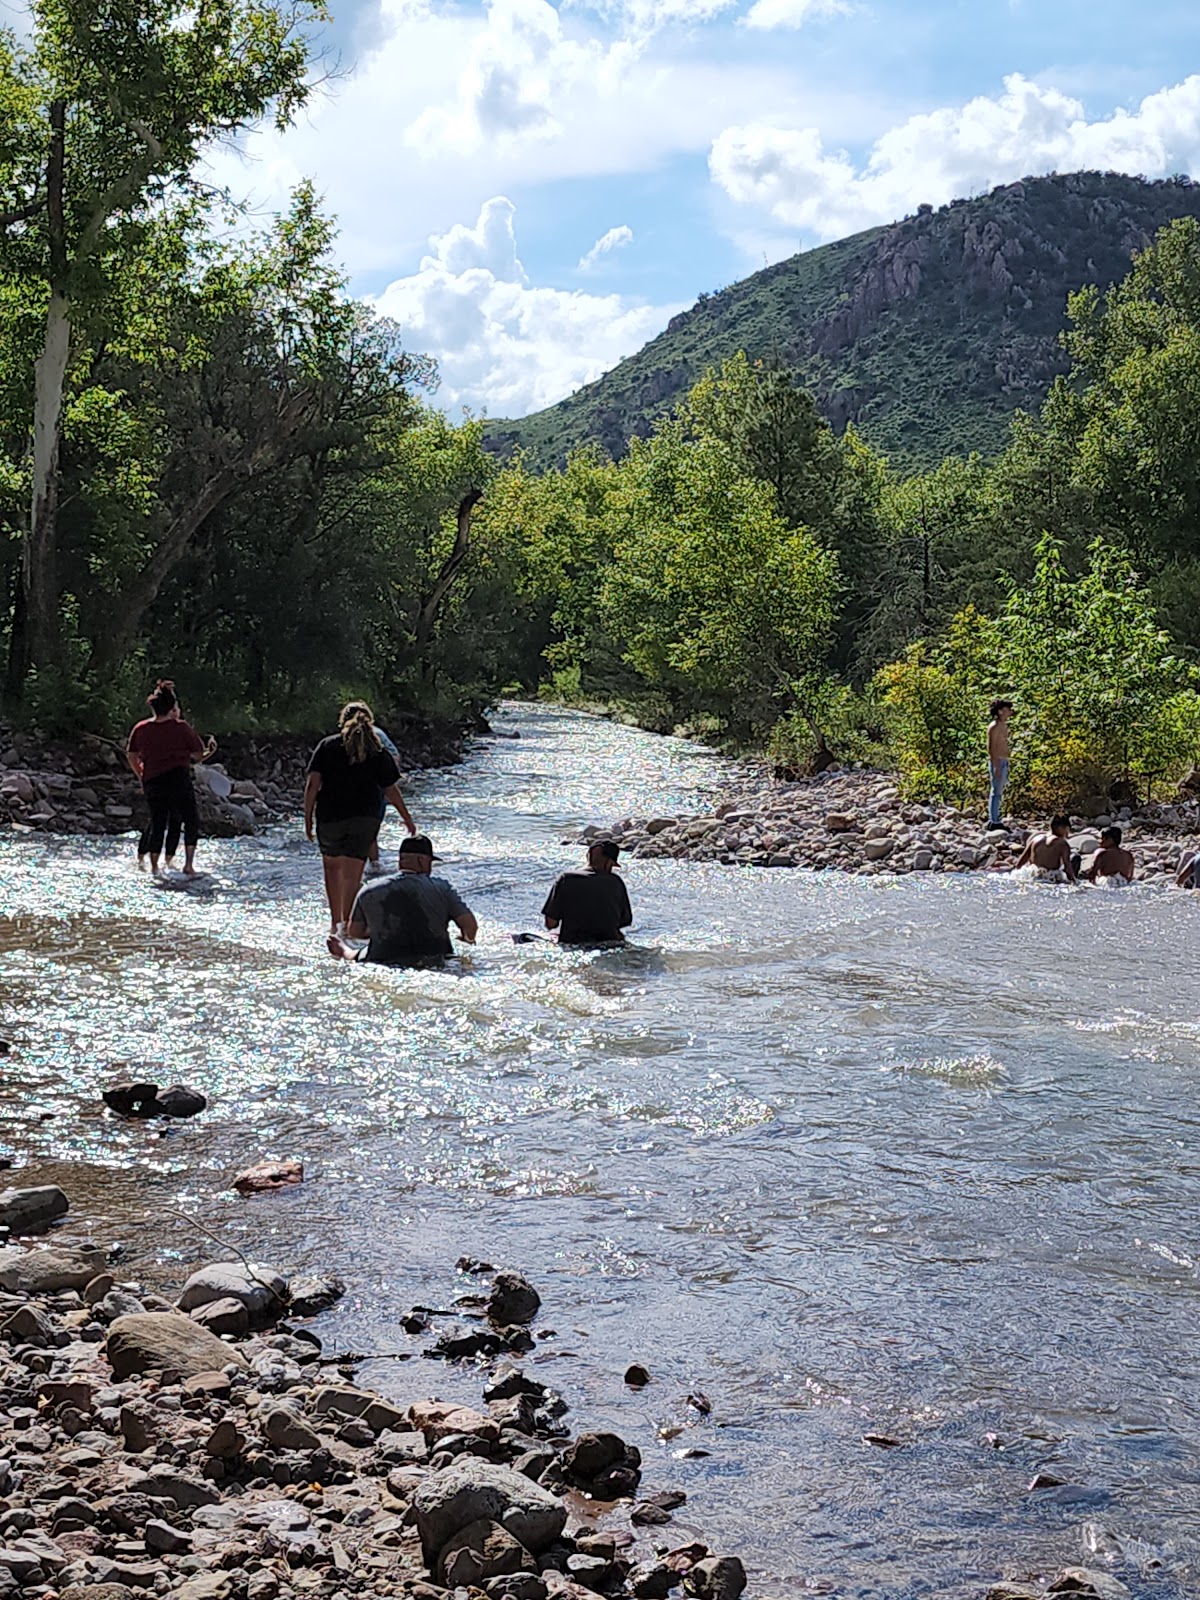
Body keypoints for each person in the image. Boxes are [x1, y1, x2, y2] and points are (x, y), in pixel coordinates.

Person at [305, 701, 416, 933]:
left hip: (330, 816)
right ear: (370, 721)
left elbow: (313, 784)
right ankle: (348, 925)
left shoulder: (327, 745)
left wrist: (307, 818)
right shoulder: (378, 751)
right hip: (365, 818)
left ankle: (335, 924)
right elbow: (391, 789)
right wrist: (407, 819)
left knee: (332, 869)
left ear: (342, 721)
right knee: (352, 875)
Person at [327, 835, 477, 965]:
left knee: (355, 955)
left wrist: (384, 929)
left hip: (383, 959)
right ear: (422, 860)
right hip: (435, 958)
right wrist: (467, 939)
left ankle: (342, 950)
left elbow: (355, 932)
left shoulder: (369, 890)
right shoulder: (442, 888)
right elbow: (470, 926)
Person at [126, 680, 216, 877]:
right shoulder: (181, 728)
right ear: (171, 707)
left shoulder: (140, 728)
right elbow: (197, 755)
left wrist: (140, 774)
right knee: (190, 818)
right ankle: (188, 865)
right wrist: (210, 751)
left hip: (152, 779)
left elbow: (132, 755)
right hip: (178, 777)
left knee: (157, 821)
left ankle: (154, 867)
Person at [542, 841, 633, 946]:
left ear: (588, 855)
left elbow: (551, 923)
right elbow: (624, 921)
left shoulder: (566, 878)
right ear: (611, 863)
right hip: (609, 944)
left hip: (573, 944)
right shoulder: (616, 882)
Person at [365, 723, 403, 879]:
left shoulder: (375, 735)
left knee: (369, 828)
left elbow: (394, 757)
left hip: (376, 786)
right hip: (374, 786)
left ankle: (373, 865)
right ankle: (372, 864)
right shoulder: (375, 733)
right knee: (369, 828)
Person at [1013, 815, 1077, 883]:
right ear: (1060, 828)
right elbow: (1067, 866)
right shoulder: (1062, 844)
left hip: (1032, 875)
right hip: (1050, 877)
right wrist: (1074, 881)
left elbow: (1020, 863)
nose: (1067, 833)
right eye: (1067, 829)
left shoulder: (1035, 839)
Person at [987, 700, 1014, 829]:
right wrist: (996, 765)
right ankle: (994, 820)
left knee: (999, 790)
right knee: (996, 791)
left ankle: (996, 817)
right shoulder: (994, 726)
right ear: (1000, 711)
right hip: (998, 761)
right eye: (1007, 709)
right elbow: (991, 747)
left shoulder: (1003, 725)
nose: (1010, 712)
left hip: (1004, 760)